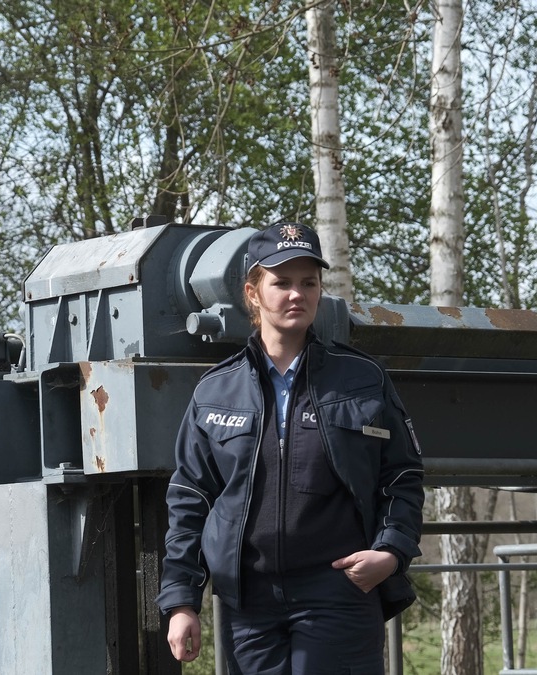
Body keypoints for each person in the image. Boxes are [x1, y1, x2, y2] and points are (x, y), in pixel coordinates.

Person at [156, 222, 425, 674]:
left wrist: (392, 551)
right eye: (281, 282)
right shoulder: (215, 391)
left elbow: (401, 476)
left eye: (309, 282)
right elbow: (190, 500)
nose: (296, 294)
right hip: (248, 606)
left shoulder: (360, 379)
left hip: (338, 592)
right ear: (253, 292)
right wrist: (181, 600)